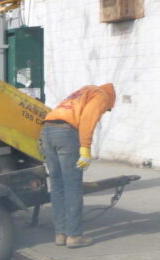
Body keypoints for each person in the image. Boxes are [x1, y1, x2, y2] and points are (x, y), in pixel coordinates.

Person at [39, 83, 116, 248]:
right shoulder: (102, 95)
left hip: (47, 131)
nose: (104, 111)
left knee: (57, 186)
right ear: (111, 100)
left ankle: (60, 234)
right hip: (66, 134)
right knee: (72, 186)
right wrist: (85, 148)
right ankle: (74, 236)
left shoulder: (82, 93)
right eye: (107, 109)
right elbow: (88, 119)